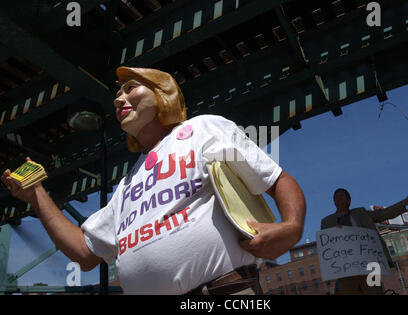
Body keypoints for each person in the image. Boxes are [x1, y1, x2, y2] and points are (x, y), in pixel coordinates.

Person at [1, 67, 306, 295]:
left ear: (163, 94)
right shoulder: (127, 185)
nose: (119, 98)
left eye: (131, 88)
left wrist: (291, 228)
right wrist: (37, 195)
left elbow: (277, 179)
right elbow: (84, 252)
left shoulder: (204, 128)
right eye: (117, 94)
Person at [321, 188, 408, 295]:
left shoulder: (361, 213)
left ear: (349, 200)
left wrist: (403, 204)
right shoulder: (327, 222)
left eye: (342, 196)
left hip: (369, 266)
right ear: (333, 201)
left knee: (374, 292)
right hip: (345, 271)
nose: (339, 199)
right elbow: (327, 246)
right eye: (336, 197)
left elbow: (383, 214)